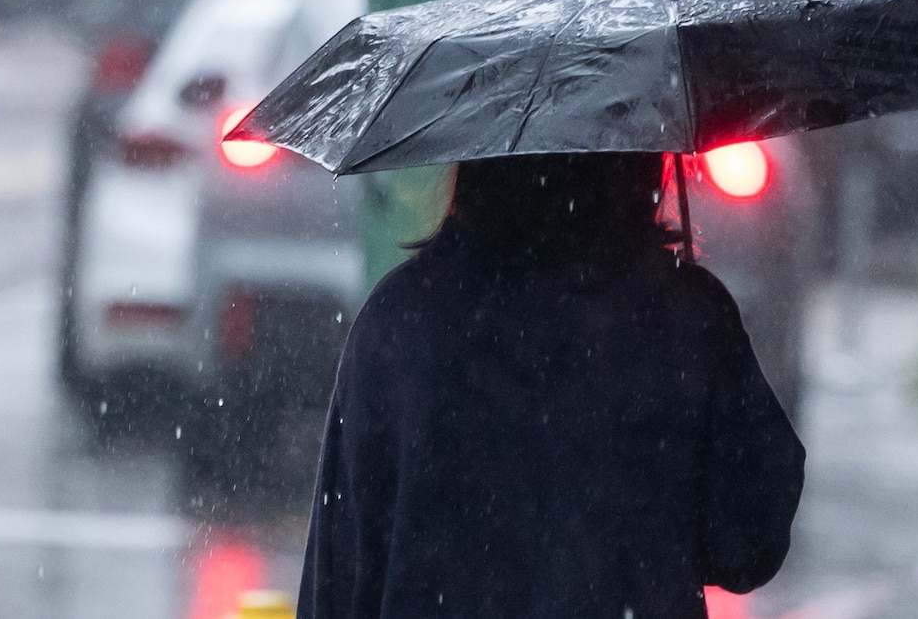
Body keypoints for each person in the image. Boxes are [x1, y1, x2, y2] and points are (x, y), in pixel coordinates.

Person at [297, 151, 805, 618]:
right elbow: (749, 546)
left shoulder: (398, 323)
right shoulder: (682, 319)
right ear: (644, 159)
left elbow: (337, 580)